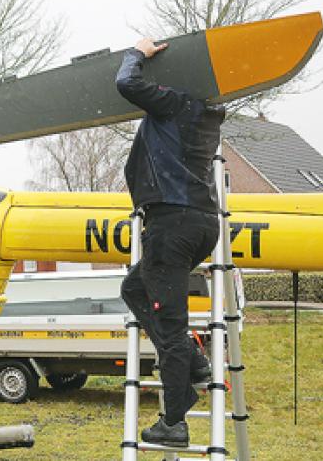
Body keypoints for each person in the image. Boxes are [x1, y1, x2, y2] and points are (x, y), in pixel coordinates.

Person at [116, 38, 226, 447]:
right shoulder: (209, 114)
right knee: (133, 288)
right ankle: (195, 365)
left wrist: (137, 54)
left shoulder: (177, 103)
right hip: (201, 223)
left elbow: (127, 83)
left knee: (172, 326)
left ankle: (174, 423)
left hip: (171, 224)